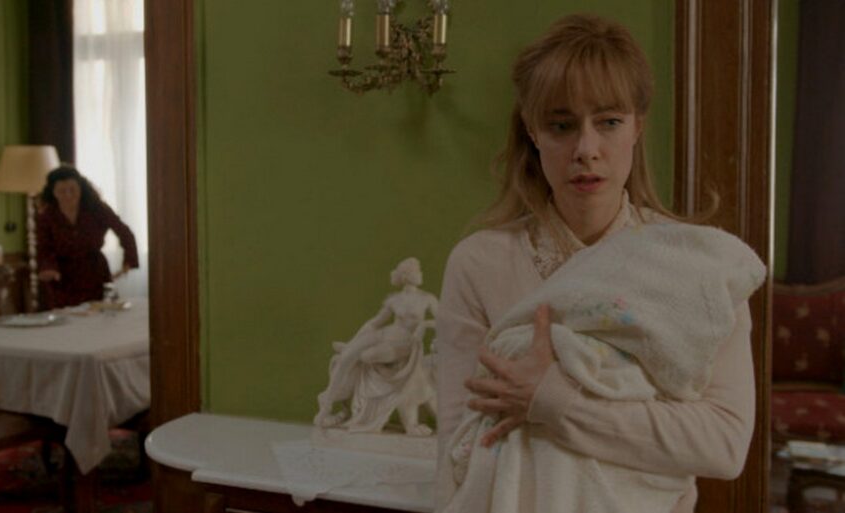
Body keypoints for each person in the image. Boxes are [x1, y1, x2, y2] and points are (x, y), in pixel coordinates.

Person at [435, 14, 758, 513]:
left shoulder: (698, 268)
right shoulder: (479, 264)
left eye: (608, 122)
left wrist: (555, 403)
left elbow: (723, 444)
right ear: (533, 131)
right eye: (562, 126)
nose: (586, 150)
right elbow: (457, 456)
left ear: (637, 126)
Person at [314, 257, 438, 435]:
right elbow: (374, 323)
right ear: (406, 276)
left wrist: (424, 325)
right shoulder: (394, 299)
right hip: (383, 334)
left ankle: (352, 350)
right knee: (346, 357)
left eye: (419, 270)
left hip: (403, 344)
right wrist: (355, 340)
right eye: (416, 271)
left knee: (366, 356)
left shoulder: (427, 299)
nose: (420, 274)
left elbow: (444, 321)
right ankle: (326, 405)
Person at [36, 165, 139, 309]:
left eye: (72, 189)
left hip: (94, 273)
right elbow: (44, 247)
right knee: (66, 318)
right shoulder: (46, 216)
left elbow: (124, 232)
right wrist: (48, 268)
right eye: (62, 191)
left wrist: (128, 261)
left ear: (81, 188)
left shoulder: (97, 209)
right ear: (52, 192)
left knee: (99, 314)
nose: (68, 195)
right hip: (62, 278)